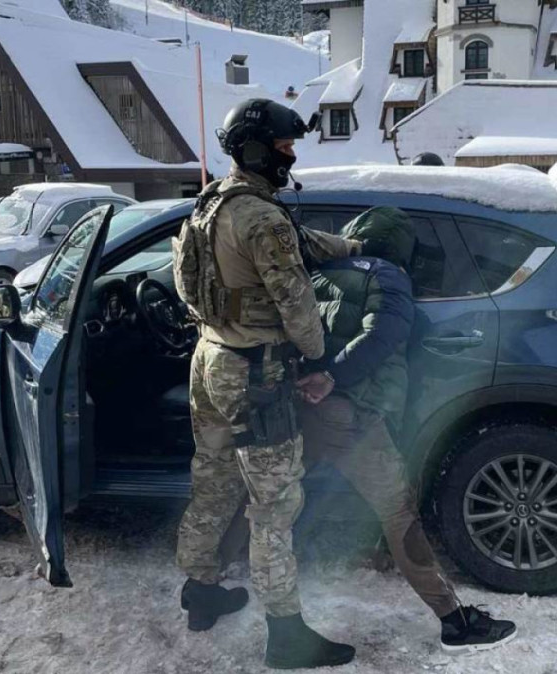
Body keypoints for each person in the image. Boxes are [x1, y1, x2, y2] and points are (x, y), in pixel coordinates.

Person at [172, 98, 358, 669]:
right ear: (256, 150)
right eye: (284, 147)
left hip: (210, 357)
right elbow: (298, 305)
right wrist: (320, 358)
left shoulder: (212, 202)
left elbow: (295, 246)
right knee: (275, 506)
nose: (291, 155)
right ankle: (286, 634)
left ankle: (200, 591)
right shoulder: (262, 217)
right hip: (256, 372)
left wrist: (350, 246)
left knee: (213, 480)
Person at [298, 206, 518, 654]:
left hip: (303, 409)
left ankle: (210, 587)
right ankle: (455, 622)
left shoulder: (322, 272)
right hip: (354, 414)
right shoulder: (388, 276)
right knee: (398, 512)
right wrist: (334, 376)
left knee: (268, 501)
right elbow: (382, 335)